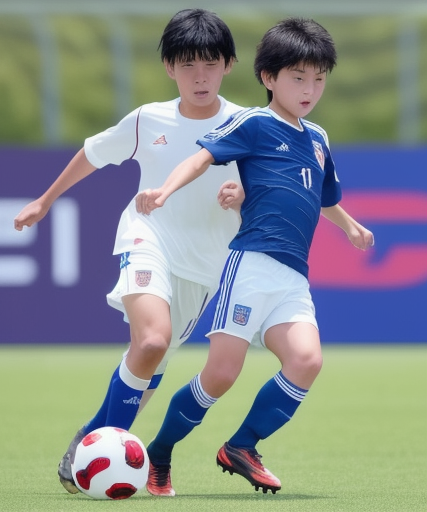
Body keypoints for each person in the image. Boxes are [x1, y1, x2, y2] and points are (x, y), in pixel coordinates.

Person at [136, 17, 375, 496]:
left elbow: (321, 196)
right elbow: (201, 157)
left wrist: (350, 225)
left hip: (293, 277)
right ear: (268, 77)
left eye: (319, 79)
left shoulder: (319, 138)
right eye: (298, 78)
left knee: (306, 361)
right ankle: (159, 452)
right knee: (221, 375)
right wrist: (165, 189)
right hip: (250, 265)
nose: (309, 89)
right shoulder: (255, 123)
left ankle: (241, 446)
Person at [14, 9, 244, 494]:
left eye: (210, 64)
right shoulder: (147, 119)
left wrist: (242, 195)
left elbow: (271, 191)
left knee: (151, 365)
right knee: (152, 341)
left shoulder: (248, 125)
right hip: (148, 238)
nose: (199, 76)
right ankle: (105, 458)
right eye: (187, 65)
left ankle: (90, 437)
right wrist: (45, 201)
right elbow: (93, 153)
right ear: (169, 67)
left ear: (228, 65)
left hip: (205, 268)